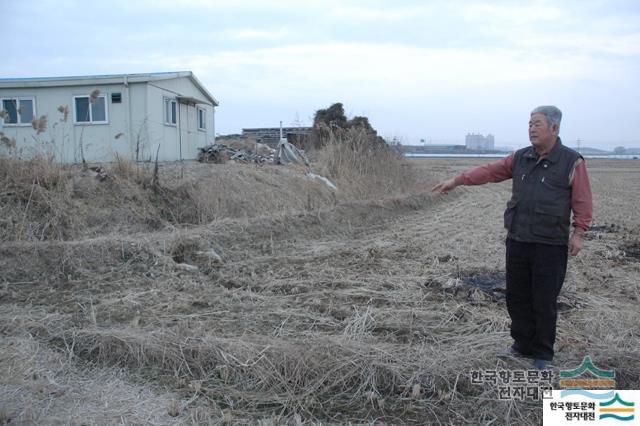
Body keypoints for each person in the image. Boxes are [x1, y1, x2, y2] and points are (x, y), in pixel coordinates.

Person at [432, 106, 593, 370]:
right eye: (529, 124)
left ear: (555, 128)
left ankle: (542, 354)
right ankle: (522, 344)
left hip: (549, 243)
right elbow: (489, 171)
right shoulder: (520, 158)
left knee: (543, 299)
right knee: (516, 296)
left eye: (537, 124)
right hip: (518, 238)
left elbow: (582, 200)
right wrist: (458, 180)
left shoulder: (571, 161)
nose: (531, 128)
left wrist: (579, 233)